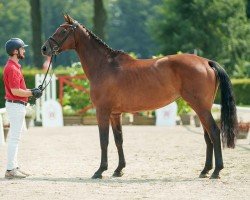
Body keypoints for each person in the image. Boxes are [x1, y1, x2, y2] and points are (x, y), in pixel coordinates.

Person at [3, 38, 43, 179]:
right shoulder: (12, 68)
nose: (24, 50)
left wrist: (31, 90)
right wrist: (32, 93)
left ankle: (13, 166)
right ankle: (10, 169)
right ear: (15, 51)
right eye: (22, 49)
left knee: (16, 138)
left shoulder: (14, 66)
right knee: (14, 138)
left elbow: (19, 89)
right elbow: (15, 91)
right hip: (15, 105)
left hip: (16, 105)